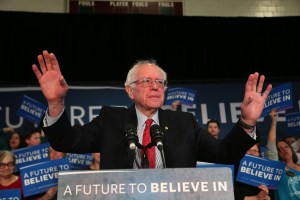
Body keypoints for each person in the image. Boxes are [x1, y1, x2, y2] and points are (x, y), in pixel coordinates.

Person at [31, 50, 272, 170]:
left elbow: (225, 154)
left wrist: (247, 122)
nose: (155, 87)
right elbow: (66, 141)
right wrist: (55, 104)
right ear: (129, 91)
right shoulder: (110, 119)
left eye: (160, 82)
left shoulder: (184, 122)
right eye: (146, 82)